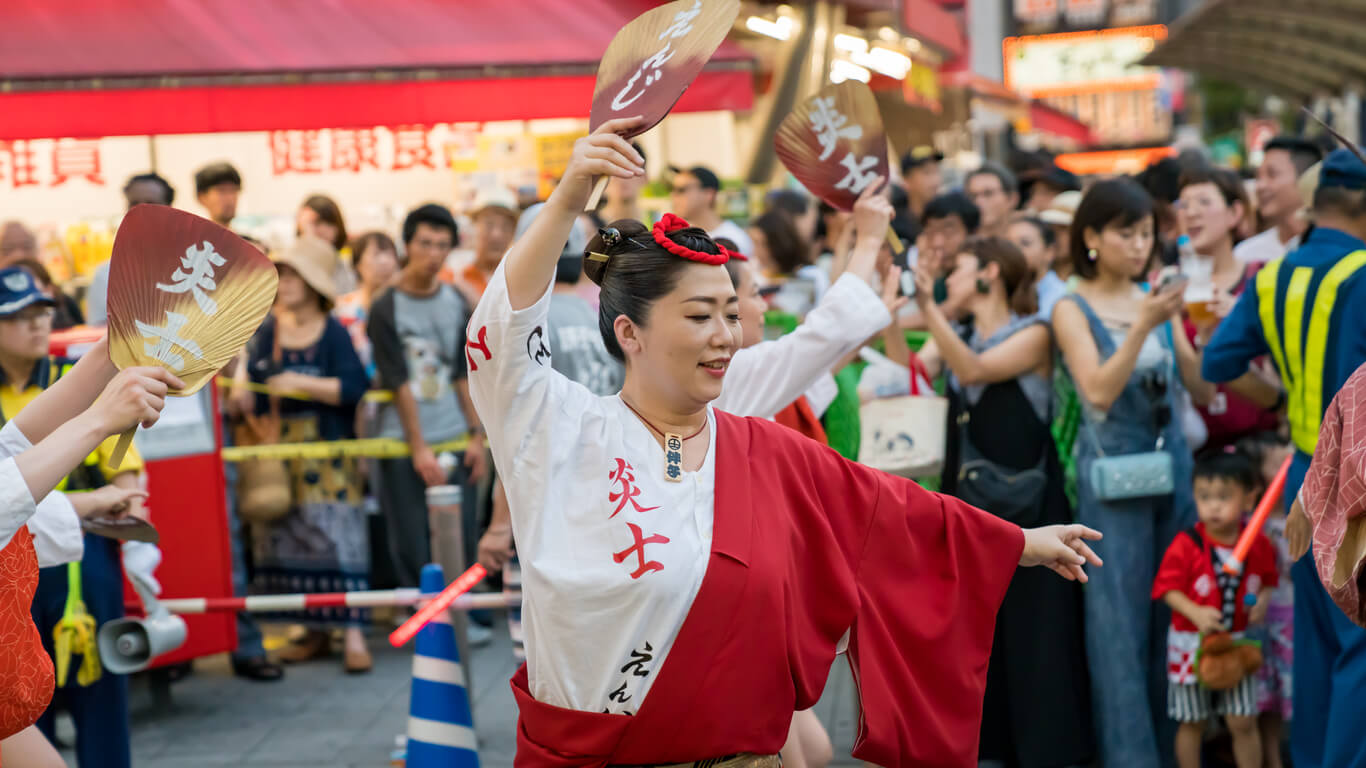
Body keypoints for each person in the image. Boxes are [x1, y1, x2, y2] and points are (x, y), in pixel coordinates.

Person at [466, 117, 1102, 767]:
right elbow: (501, 339)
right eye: (698, 316)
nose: (726, 334)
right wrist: (568, 198)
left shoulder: (760, 448)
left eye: (727, 311)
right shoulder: (561, 428)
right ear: (629, 332)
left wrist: (1016, 541)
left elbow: (889, 507)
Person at [1203, 148, 1366, 768]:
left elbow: (1220, 363)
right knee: (1361, 641)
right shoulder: (1363, 272)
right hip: (1359, 486)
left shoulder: (1273, 275)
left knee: (1320, 644)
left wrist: (1278, 401)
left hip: (1304, 475)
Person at [909, 237, 1094, 768]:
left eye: (960, 269)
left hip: (1035, 503)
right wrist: (900, 309)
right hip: (974, 504)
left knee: (1041, 627)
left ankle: (1049, 750)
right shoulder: (958, 330)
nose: (951, 279)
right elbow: (914, 371)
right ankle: (993, 746)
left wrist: (929, 310)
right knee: (986, 625)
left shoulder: (1035, 332)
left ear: (990, 272)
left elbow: (971, 370)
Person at [1051, 177, 1205, 768]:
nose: (1139, 245)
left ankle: (1177, 752)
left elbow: (1201, 389)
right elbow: (1096, 392)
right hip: (1113, 478)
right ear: (1091, 236)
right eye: (1126, 232)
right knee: (1117, 630)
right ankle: (1130, 757)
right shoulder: (1071, 304)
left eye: (1146, 233)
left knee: (1174, 620)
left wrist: (1184, 328)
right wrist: (1144, 322)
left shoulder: (1154, 297)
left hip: (1173, 470)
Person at [0, 269, 161, 768]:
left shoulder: (50, 372)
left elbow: (10, 450)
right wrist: (98, 419)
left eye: (40, 312)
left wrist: (113, 348)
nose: (34, 325)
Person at [234, 237, 373, 674]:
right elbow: (251, 388)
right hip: (278, 453)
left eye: (294, 274)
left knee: (338, 541)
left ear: (314, 284)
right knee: (287, 541)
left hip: (327, 456)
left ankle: (352, 634)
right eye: (283, 275)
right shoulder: (264, 330)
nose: (286, 283)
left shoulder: (333, 331)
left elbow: (354, 388)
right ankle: (313, 632)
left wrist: (299, 382)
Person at [367, 204, 487, 598]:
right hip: (402, 440)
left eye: (442, 245)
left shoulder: (456, 299)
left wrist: (476, 436)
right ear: (407, 245)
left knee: (462, 531)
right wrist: (418, 447)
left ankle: (467, 617)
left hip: (454, 432)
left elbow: (461, 373)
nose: (433, 253)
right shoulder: (385, 307)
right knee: (411, 537)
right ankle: (425, 620)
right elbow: (398, 381)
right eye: (424, 243)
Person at [1152, 448, 1277, 768]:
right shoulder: (1186, 543)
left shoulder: (1258, 543)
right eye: (1204, 496)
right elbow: (1166, 589)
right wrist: (1195, 612)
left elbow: (1266, 580)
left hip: (1237, 642)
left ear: (1249, 500)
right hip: (1190, 645)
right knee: (1193, 721)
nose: (1213, 506)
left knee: (1243, 720)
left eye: (1224, 496)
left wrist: (1259, 601)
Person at [1175, 167, 1280, 451]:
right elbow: (1197, 389)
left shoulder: (1264, 278)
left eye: (1204, 202)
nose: (1191, 213)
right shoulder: (1172, 289)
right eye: (1183, 205)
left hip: (1263, 443)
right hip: (1199, 452)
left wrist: (1246, 315)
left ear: (1235, 214)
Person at [87, 172, 178, 326]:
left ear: (169, 209)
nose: (141, 210)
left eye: (151, 203)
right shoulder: (106, 275)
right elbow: (98, 332)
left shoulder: (189, 268)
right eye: (134, 203)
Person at [1236, 137, 1323, 265]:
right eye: (1258, 176)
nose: (1260, 186)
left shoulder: (1332, 248)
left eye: (1272, 174)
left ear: (1307, 178)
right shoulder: (1246, 256)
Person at [334, 231, 399, 382]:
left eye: (389, 254)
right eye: (376, 254)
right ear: (357, 264)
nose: (384, 262)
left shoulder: (405, 307)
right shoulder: (341, 309)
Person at [748, 210, 828, 314]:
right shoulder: (760, 276)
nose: (755, 250)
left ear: (776, 242)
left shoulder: (811, 274)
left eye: (759, 243)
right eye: (753, 243)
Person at [668, 164, 755, 255]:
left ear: (709, 194)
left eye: (681, 190)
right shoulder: (678, 238)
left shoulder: (735, 238)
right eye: (672, 189)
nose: (673, 195)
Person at [453, 189, 519, 305]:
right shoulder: (455, 273)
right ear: (473, 226)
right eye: (489, 224)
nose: (496, 235)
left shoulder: (517, 280)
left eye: (506, 226)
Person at [1007, 214, 1067, 319]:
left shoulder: (1062, 297)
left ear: (1049, 251)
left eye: (1025, 243)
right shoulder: (1001, 292)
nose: (1014, 250)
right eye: (1008, 244)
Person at [600, 142, 649, 225]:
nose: (622, 176)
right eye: (614, 168)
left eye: (629, 167)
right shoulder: (586, 229)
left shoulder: (661, 227)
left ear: (645, 177)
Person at [966, 163, 1021, 237]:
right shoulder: (963, 243)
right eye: (973, 196)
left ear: (1012, 198)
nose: (978, 202)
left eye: (988, 193)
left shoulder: (1029, 236)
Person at [1038, 190, 1081, 281]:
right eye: (1050, 227)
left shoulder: (1091, 280)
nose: (1055, 234)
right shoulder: (1038, 275)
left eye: (1063, 228)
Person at [900, 146, 943, 224]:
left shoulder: (946, 217)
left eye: (937, 171)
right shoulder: (895, 224)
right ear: (906, 180)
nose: (935, 180)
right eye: (927, 172)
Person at [194, 162, 242, 229]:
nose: (230, 198)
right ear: (202, 197)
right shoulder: (194, 238)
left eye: (233, 190)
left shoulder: (245, 239)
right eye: (222, 191)